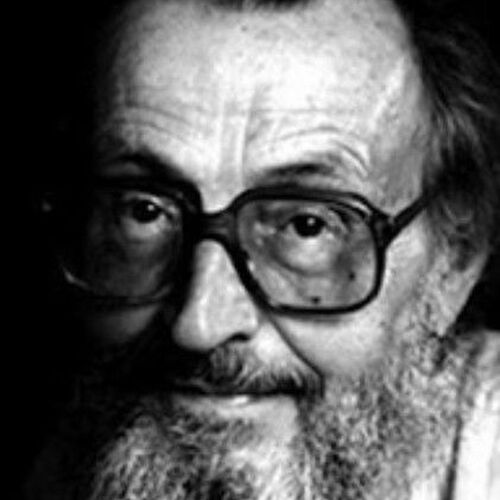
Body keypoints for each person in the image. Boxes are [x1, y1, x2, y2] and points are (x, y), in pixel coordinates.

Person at [25, 0, 500, 499]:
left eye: (307, 225)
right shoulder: (83, 446)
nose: (198, 325)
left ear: (455, 258)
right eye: (143, 211)